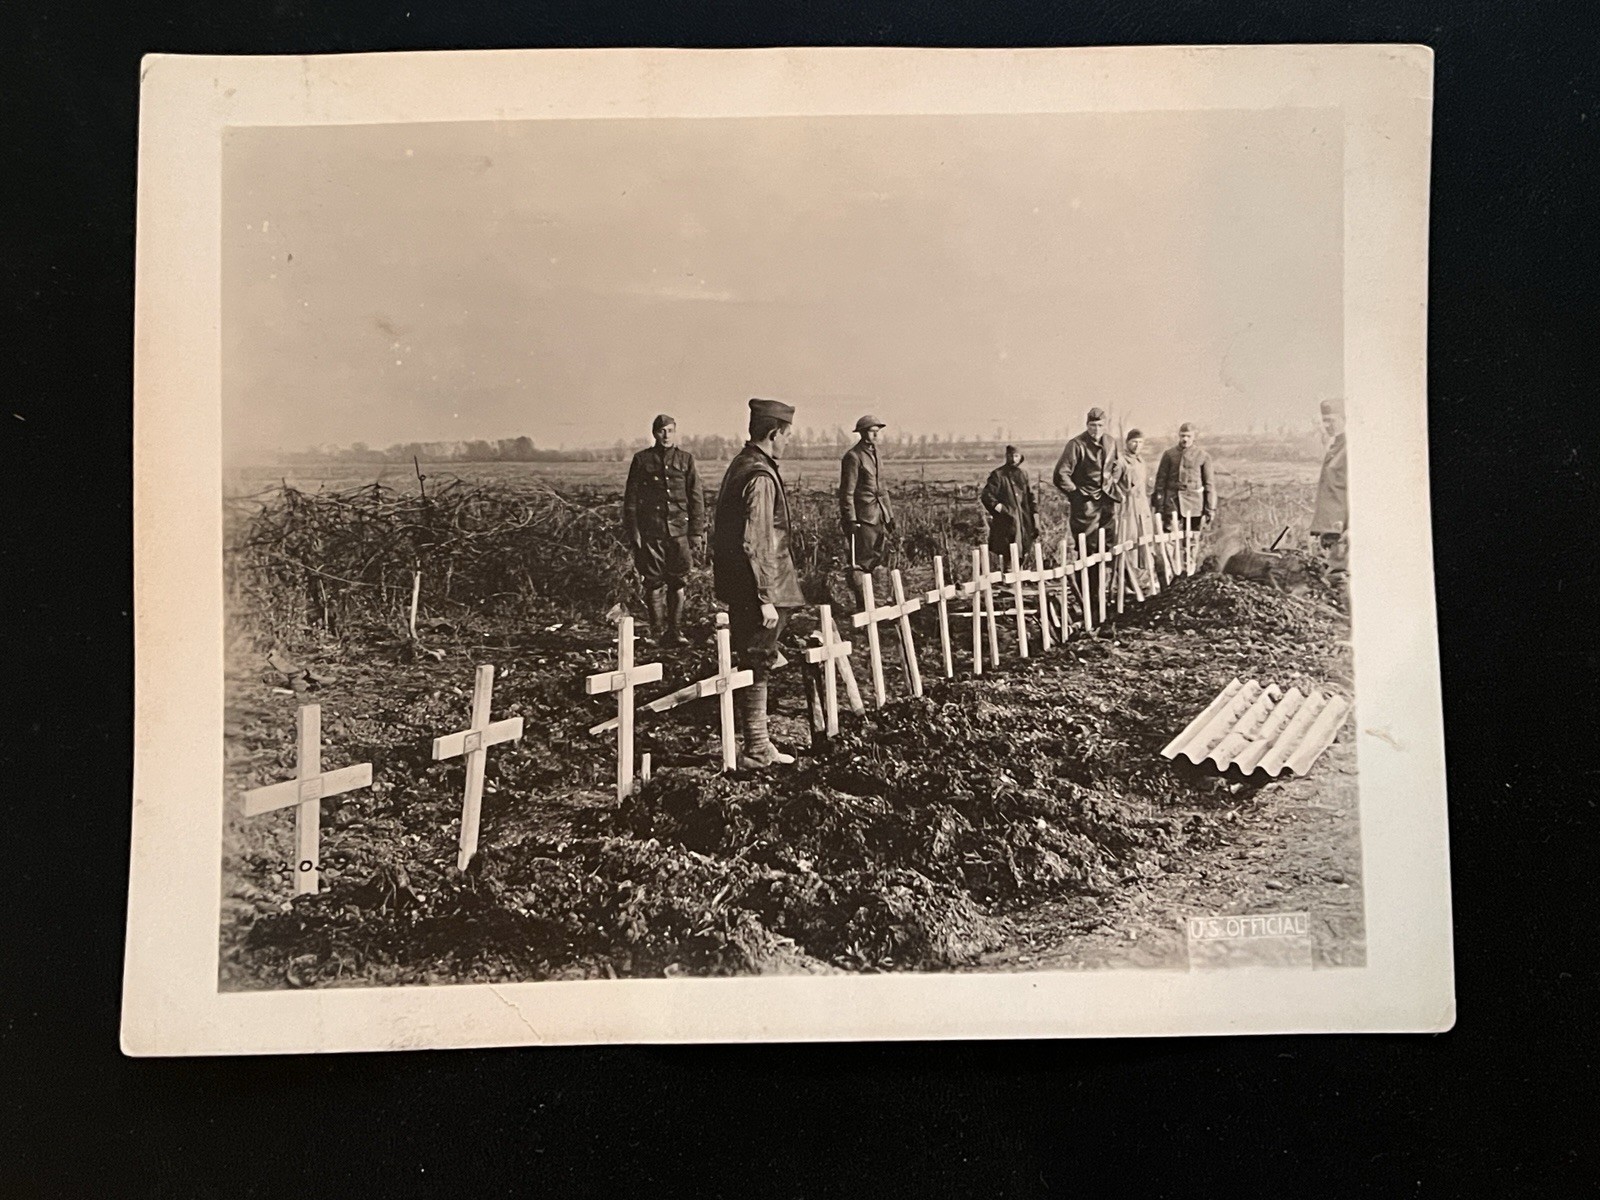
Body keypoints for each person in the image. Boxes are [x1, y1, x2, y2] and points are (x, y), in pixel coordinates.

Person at [712, 398, 807, 769]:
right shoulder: (761, 476)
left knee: (759, 657)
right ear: (773, 433)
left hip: (742, 585)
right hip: (760, 587)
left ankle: (758, 743)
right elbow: (757, 540)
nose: (788, 442)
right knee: (758, 660)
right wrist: (766, 597)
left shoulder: (742, 464)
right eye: (787, 435)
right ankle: (757, 747)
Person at [621, 414, 705, 645]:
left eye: (670, 430)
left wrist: (696, 532)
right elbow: (631, 499)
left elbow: (696, 498)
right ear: (654, 433)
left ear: (675, 432)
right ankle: (656, 633)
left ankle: (675, 632)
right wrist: (634, 532)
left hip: (679, 532)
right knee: (653, 582)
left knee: (678, 581)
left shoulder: (686, 460)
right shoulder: (642, 460)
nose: (666, 435)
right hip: (652, 532)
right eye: (661, 431)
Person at [1053, 407, 1123, 595]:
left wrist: (1113, 481)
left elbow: (1117, 465)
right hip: (1086, 505)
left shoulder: (1111, 442)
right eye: (1092, 425)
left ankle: (1103, 593)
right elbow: (1061, 474)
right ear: (1087, 425)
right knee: (1088, 549)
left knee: (1107, 547)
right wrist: (1077, 494)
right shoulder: (1076, 445)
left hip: (1107, 502)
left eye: (1100, 425)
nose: (1096, 430)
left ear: (1105, 425)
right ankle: (1087, 595)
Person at [838, 414, 896, 609]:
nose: (876, 435)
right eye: (872, 431)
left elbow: (882, 488)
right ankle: (864, 607)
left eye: (877, 432)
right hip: (863, 518)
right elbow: (847, 492)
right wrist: (851, 519)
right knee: (862, 563)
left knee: (878, 560)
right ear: (862, 433)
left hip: (878, 515)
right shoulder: (853, 457)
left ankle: (877, 604)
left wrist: (889, 515)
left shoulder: (876, 454)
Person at [1111, 428, 1157, 593]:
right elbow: (1112, 484)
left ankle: (1141, 581)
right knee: (1128, 543)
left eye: (1140, 442)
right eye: (1134, 442)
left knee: (1143, 544)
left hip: (1142, 507)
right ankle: (1126, 583)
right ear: (1127, 443)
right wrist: (1121, 497)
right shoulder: (1121, 461)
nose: (1137, 445)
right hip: (1127, 508)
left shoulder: (1141, 461)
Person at [1153, 421, 1217, 535]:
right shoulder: (1169, 454)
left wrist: (1210, 508)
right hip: (1172, 503)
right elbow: (1160, 483)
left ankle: (1191, 547)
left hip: (1194, 505)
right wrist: (1160, 506)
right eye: (1183, 436)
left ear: (1194, 437)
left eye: (1189, 436)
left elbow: (1209, 485)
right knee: (1170, 537)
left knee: (1192, 537)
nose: (1185, 439)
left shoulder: (1203, 456)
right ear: (1179, 435)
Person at [980, 444, 1038, 562]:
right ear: (1006, 456)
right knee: (1008, 556)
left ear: (1020, 457)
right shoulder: (998, 475)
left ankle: (1019, 572)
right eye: (1010, 456)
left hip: (1024, 521)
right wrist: (1000, 508)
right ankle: (1008, 573)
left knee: (1023, 554)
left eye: (1016, 456)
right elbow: (987, 496)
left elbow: (1031, 497)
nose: (1013, 459)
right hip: (1006, 522)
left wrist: (1035, 517)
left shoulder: (1023, 475)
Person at [1310, 398, 1348, 570]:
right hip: (1329, 530)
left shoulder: (1349, 449)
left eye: (1331, 420)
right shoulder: (1335, 447)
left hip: (1341, 530)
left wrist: (1350, 528)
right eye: (1324, 421)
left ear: (1344, 418)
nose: (1327, 425)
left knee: (1338, 576)